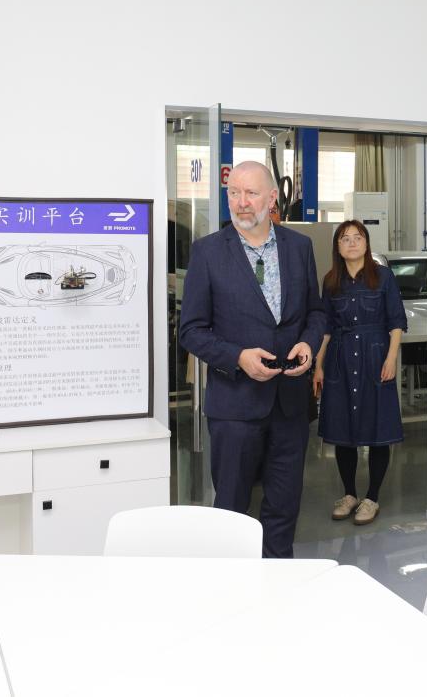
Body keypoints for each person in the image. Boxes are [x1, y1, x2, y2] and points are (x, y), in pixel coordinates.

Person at [177, 161, 327, 559]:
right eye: (234, 193)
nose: (241, 202)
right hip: (235, 407)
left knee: (284, 507)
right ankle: (231, 586)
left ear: (273, 198)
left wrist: (308, 344)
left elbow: (316, 313)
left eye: (251, 193)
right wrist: (238, 357)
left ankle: (278, 583)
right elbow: (190, 331)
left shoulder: (299, 248)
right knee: (231, 510)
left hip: (290, 405)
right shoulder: (208, 252)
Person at [311, 220, 408, 526]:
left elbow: (396, 321)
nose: (352, 243)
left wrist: (391, 358)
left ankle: (372, 498)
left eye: (357, 237)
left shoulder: (383, 277)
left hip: (375, 357)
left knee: (378, 429)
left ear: (366, 244)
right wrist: (318, 365)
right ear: (337, 247)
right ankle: (350, 494)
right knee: (343, 430)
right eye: (345, 239)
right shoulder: (331, 282)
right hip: (340, 359)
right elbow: (326, 328)